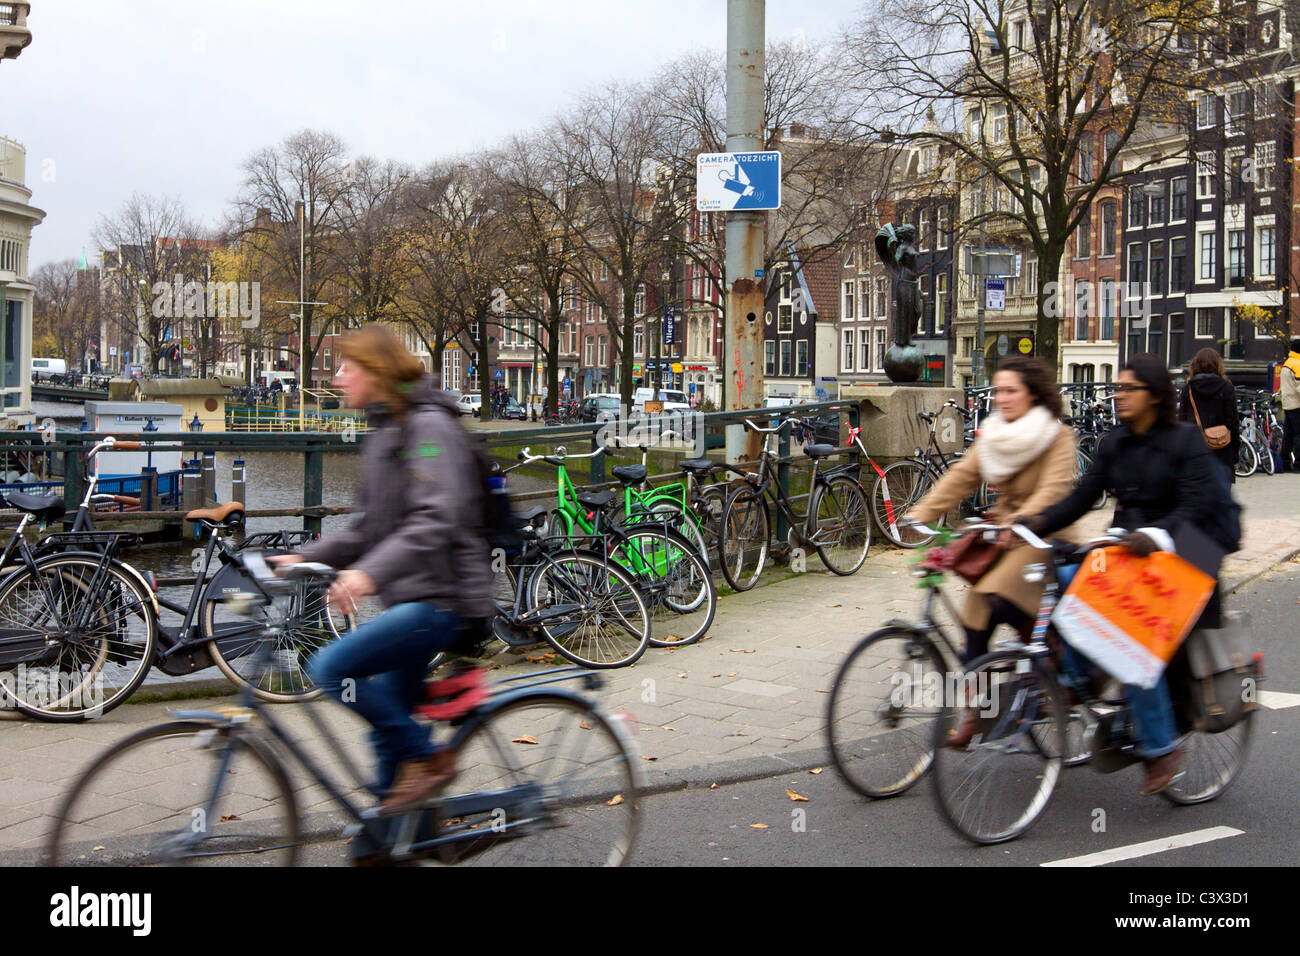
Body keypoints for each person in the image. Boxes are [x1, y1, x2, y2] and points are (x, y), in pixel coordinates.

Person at [269, 324, 492, 813]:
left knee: (330, 667)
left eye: (348, 368)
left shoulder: (429, 427)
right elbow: (367, 531)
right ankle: (401, 841)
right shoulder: (385, 430)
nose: (338, 378)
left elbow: (438, 516)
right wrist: (304, 559)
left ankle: (430, 758)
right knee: (385, 736)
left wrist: (368, 575)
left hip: (443, 599)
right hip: (411, 596)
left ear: (376, 371)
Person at [1025, 354, 1234, 796]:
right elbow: (1084, 497)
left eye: (1127, 389)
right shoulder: (1115, 442)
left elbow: (1196, 507)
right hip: (1129, 551)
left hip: (1190, 550)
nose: (1117, 396)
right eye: (1116, 389)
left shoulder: (1186, 442)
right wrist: (1031, 525)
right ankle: (1080, 678)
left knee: (1132, 636)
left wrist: (1155, 537)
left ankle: (1162, 749)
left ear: (1155, 396)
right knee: (1061, 577)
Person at [904, 355, 1079, 711]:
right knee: (976, 606)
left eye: (1011, 391)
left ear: (1032, 395)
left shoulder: (1057, 436)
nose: (1002, 398)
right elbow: (962, 475)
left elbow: (1054, 489)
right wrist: (920, 513)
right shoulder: (997, 434)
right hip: (1008, 534)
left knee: (993, 596)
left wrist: (1023, 520)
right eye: (999, 390)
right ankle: (977, 703)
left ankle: (1051, 655)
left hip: (1045, 535)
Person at [1177, 348, 1240, 483]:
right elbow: (1233, 421)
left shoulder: (1188, 389)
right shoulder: (1227, 387)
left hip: (1195, 451)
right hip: (1222, 449)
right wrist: (1234, 451)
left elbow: (1182, 421)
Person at [1281, 338, 1300, 472]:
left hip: (1288, 404)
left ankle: (1285, 462)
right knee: (1299, 435)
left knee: (1288, 434)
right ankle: (1299, 464)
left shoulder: (1288, 363)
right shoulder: (1298, 364)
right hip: (1297, 404)